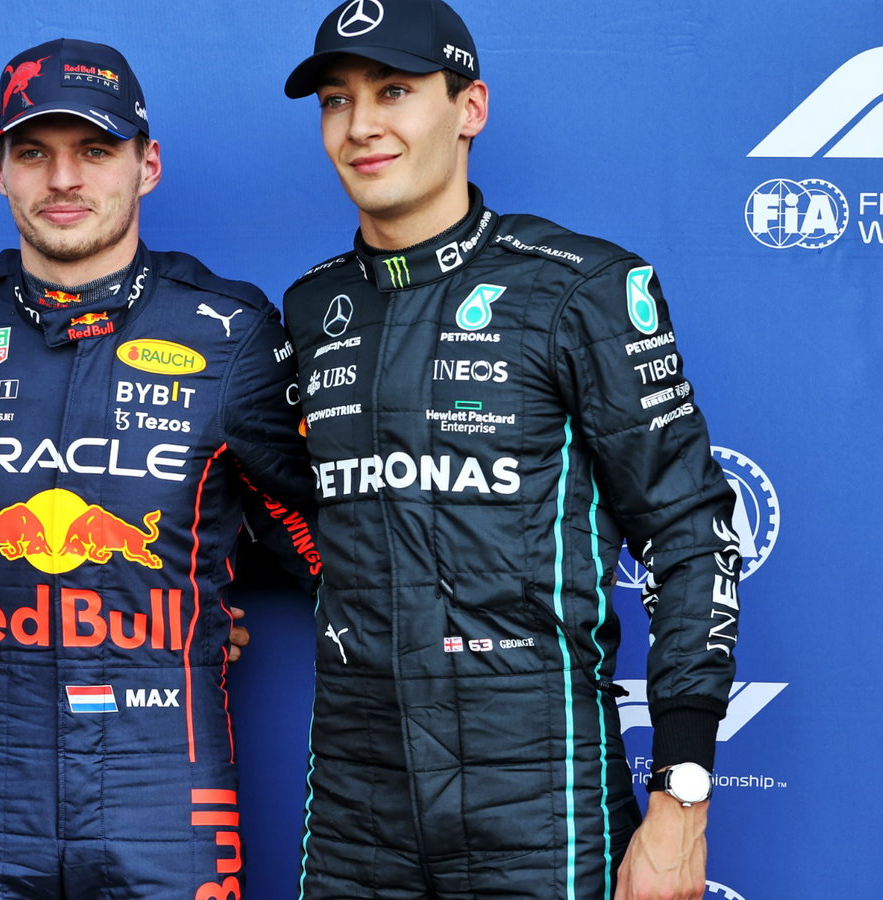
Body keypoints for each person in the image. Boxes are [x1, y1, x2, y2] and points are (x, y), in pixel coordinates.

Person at [279, 2, 740, 898]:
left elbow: (691, 533)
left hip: (540, 803)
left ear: (470, 108)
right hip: (354, 809)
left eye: (396, 91)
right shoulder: (308, 309)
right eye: (337, 100)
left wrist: (681, 804)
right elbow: (297, 512)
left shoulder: (583, 288)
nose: (361, 125)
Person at [0, 38, 322, 899]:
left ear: (147, 165)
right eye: (34, 153)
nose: (64, 180)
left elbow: (312, 532)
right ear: (0, 170)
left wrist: (197, 603)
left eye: (94, 151)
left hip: (165, 787)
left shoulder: (229, 331)